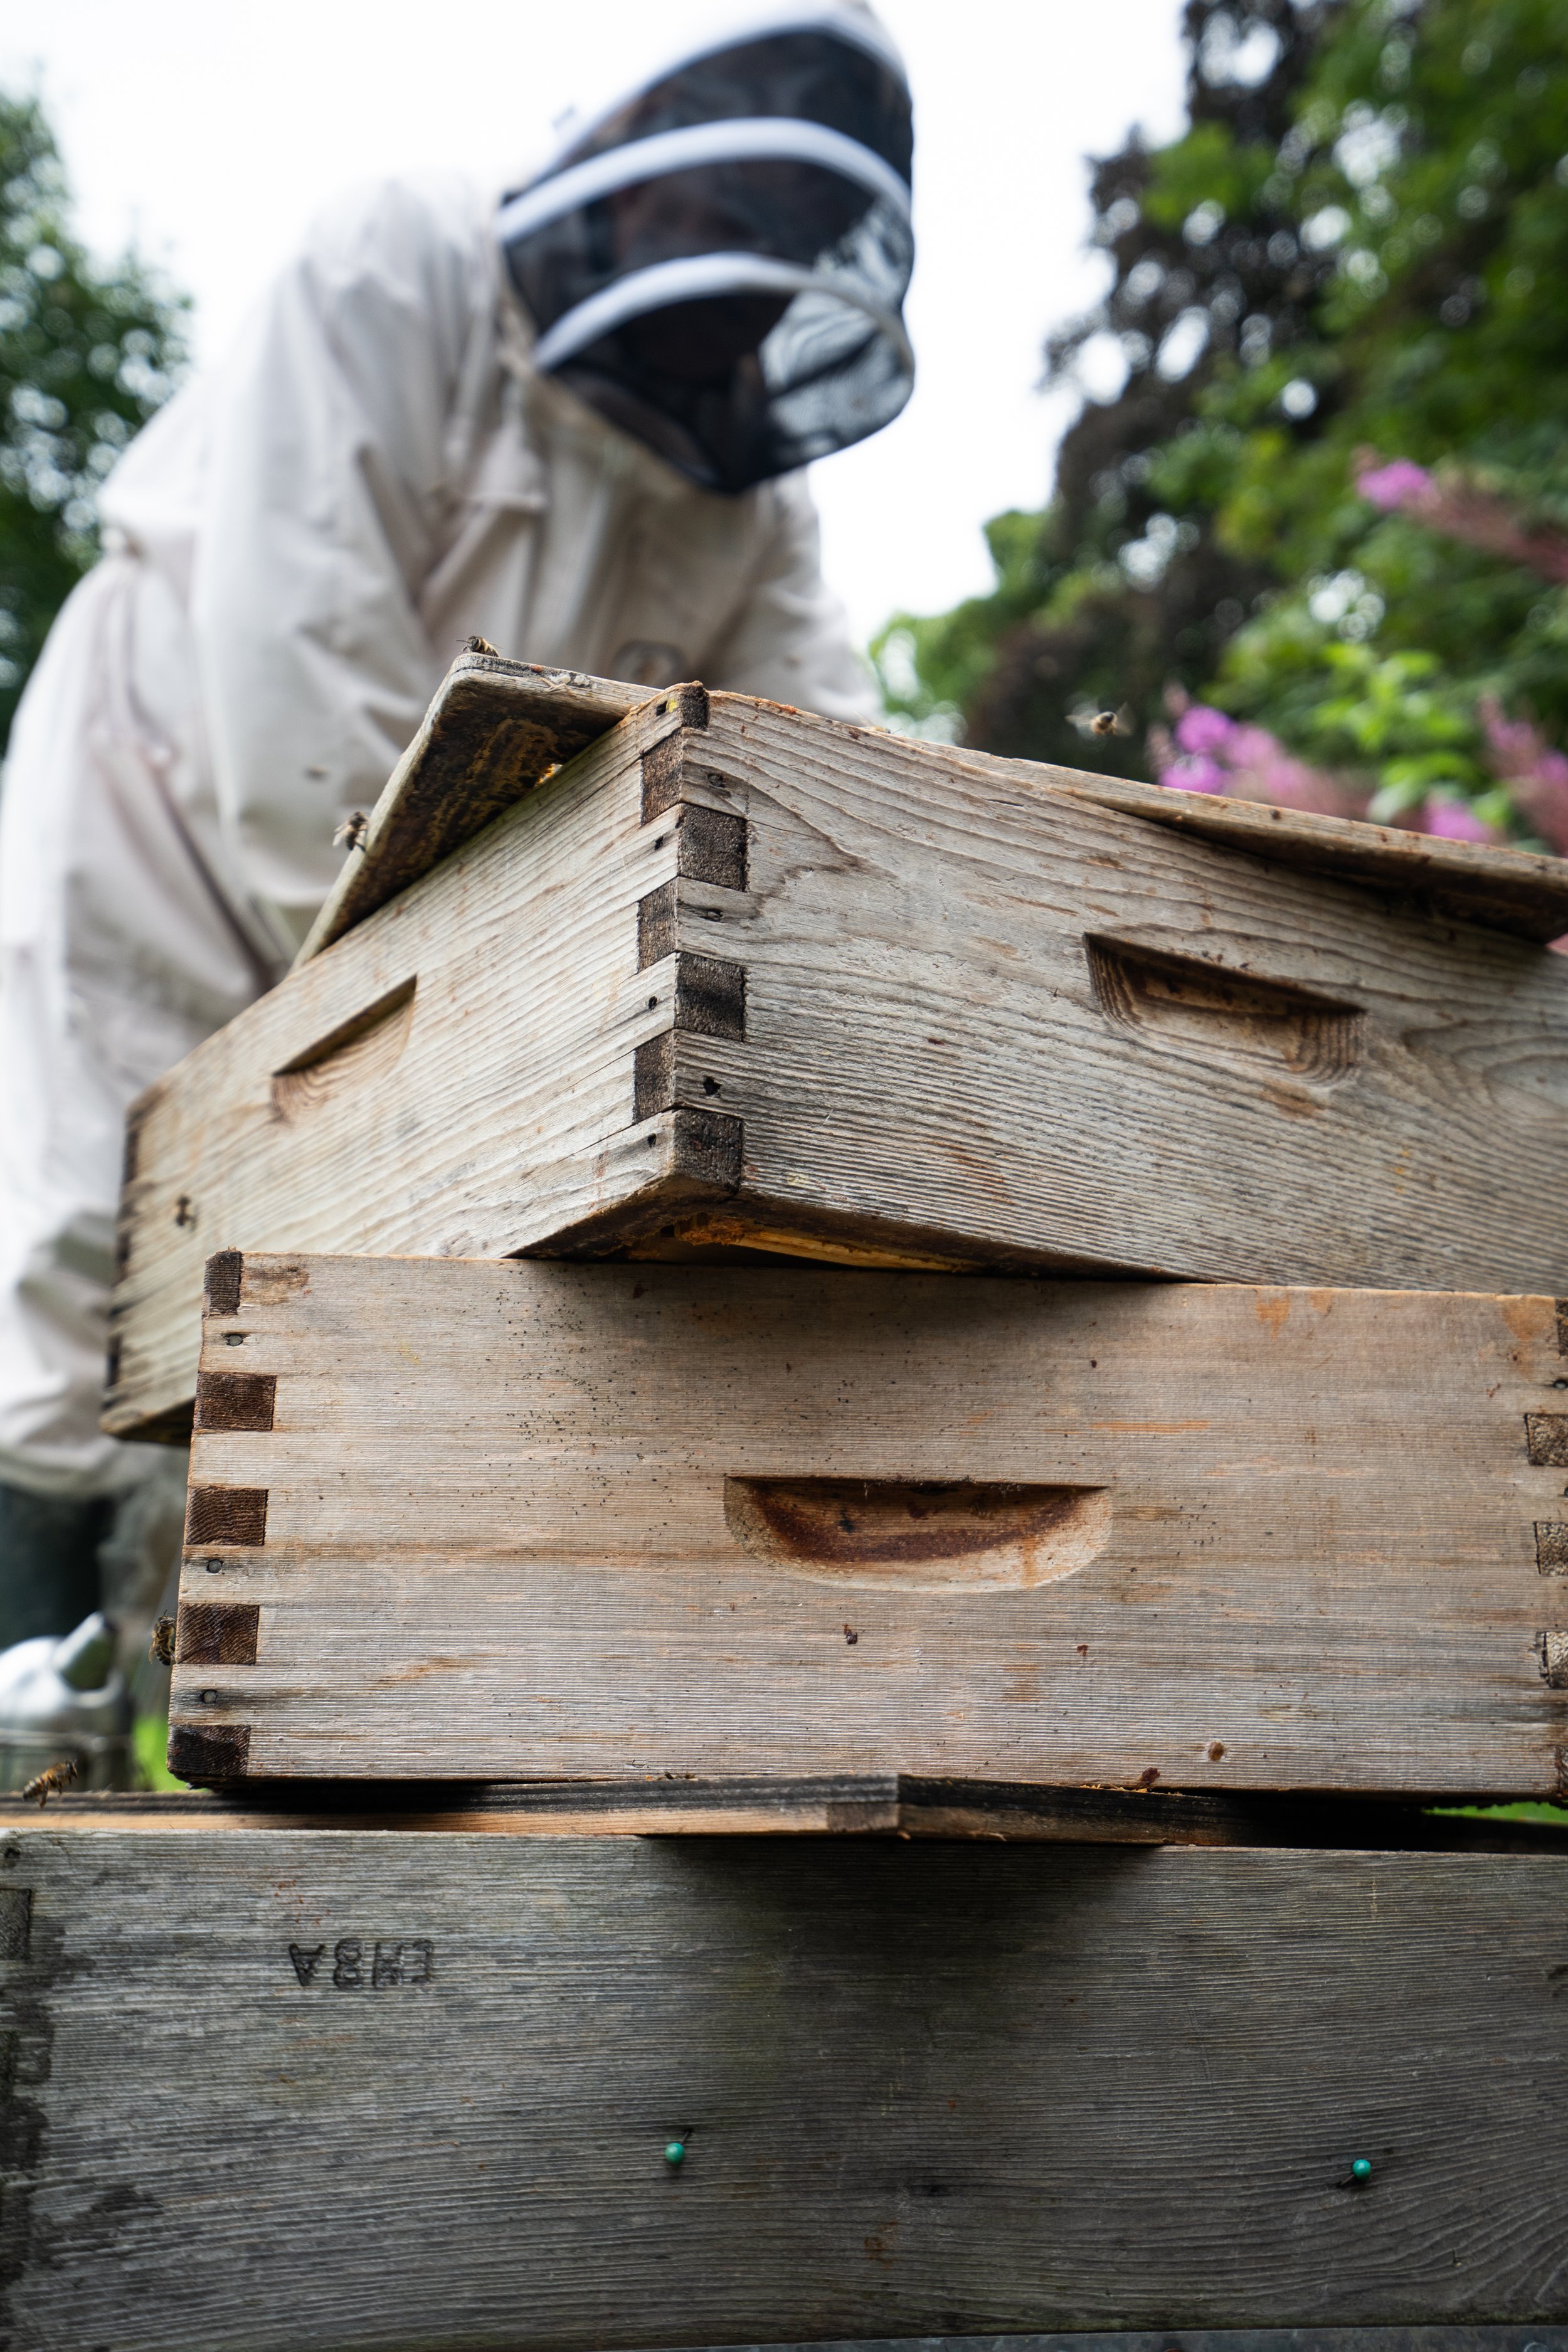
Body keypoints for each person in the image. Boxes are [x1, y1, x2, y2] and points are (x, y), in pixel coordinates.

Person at [0, 0, 915, 1646]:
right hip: (163, 823)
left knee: (388, 1302)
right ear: (625, 170)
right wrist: (495, 1022)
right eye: (713, 209)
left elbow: (818, 768)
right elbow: (294, 665)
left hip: (461, 919)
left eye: (772, 237)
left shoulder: (755, 499)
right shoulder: (402, 259)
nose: (732, 260)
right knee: (88, 1236)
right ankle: (32, 1699)